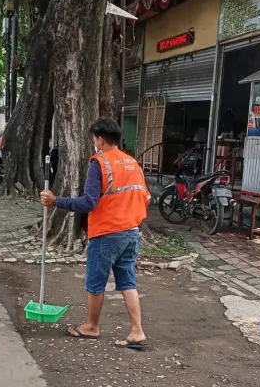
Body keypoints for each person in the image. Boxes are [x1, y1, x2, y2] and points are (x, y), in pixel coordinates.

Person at [39, 117, 151, 349]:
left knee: (95, 283)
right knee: (128, 282)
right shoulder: (133, 163)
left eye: (94, 139)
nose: (94, 143)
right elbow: (145, 197)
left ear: (100, 140)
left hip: (107, 233)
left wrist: (56, 201)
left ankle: (91, 326)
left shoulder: (99, 163)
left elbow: (89, 203)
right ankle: (137, 331)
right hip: (131, 232)